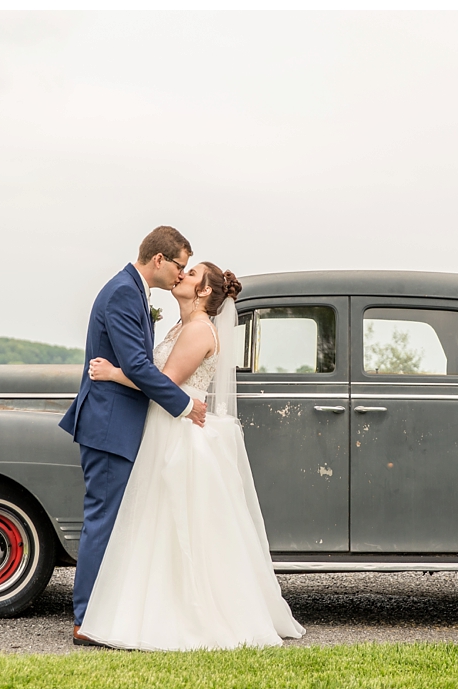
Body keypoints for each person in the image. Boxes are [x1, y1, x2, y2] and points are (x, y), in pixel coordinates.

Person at [77, 262, 305, 650]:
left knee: (177, 523)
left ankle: (184, 613)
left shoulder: (199, 329)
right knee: (154, 521)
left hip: (178, 431)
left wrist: (115, 374)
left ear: (202, 291)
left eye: (191, 272)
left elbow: (163, 382)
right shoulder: (182, 326)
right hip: (166, 425)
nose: (182, 275)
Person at [58, 226, 208, 647]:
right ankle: (86, 620)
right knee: (103, 521)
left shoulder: (131, 290)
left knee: (113, 519)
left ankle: (102, 610)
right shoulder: (124, 292)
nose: (181, 275)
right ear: (159, 260)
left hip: (118, 422)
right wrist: (182, 404)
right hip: (109, 425)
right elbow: (140, 367)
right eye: (180, 265)